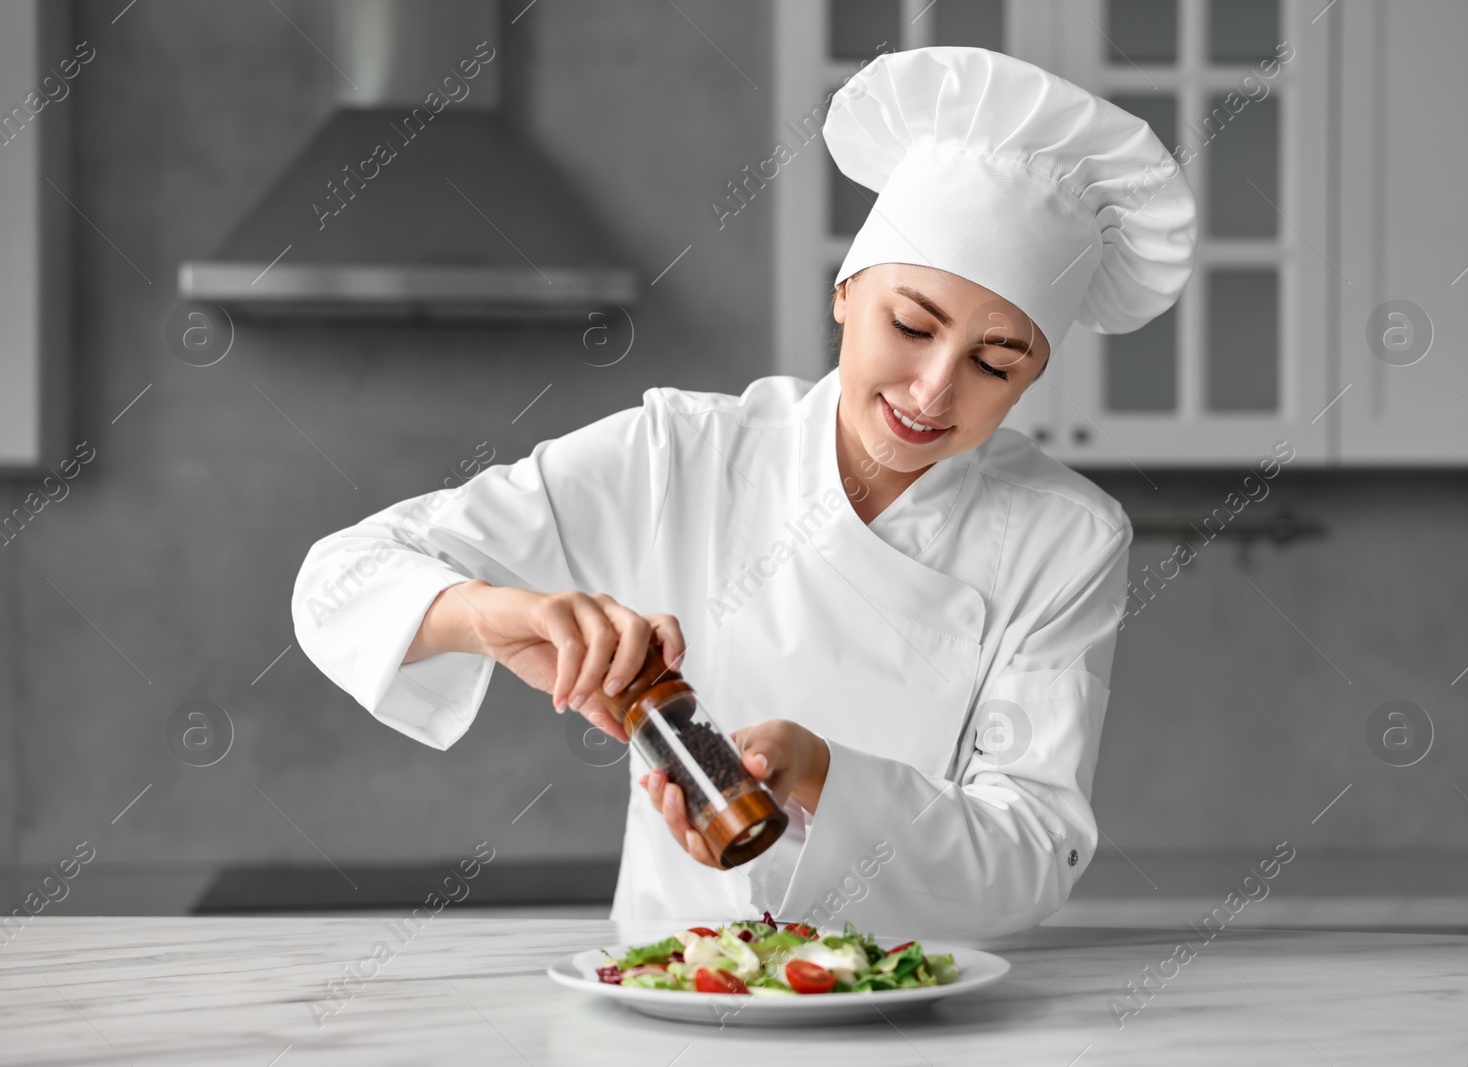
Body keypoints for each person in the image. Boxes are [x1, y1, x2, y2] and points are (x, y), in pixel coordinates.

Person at [291, 46, 1196, 939]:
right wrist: (494, 615)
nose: (932, 390)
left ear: (1033, 377)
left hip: (917, 1002)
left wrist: (817, 772)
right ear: (846, 292)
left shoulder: (1066, 537)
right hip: (673, 986)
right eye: (911, 325)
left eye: (994, 364)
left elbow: (1033, 854)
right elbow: (340, 579)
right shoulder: (685, 451)